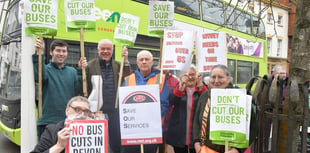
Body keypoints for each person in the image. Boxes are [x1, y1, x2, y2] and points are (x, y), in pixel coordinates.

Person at [84, 39, 132, 153]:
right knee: (97, 141)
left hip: (116, 111)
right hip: (96, 111)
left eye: (108, 49)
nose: (105, 51)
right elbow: (83, 85)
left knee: (116, 140)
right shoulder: (90, 65)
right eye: (103, 49)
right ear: (98, 50)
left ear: (113, 50)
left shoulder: (119, 65)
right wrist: (82, 68)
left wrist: (126, 60)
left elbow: (129, 79)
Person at [32, 37, 84, 139]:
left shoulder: (73, 72)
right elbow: (40, 78)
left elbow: (79, 91)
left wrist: (82, 71)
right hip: (47, 122)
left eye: (64, 51)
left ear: (67, 54)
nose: (61, 53)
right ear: (51, 52)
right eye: (58, 50)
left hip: (68, 121)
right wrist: (39, 54)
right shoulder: (45, 69)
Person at [121, 50, 169, 153]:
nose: (144, 62)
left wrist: (147, 119)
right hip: (131, 130)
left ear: (152, 62)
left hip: (151, 130)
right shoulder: (128, 79)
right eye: (141, 59)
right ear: (137, 62)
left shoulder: (161, 79)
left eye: (147, 59)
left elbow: (164, 104)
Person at [193, 64, 245, 153]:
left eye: (220, 77)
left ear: (228, 79)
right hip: (206, 149)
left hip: (229, 150)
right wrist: (197, 144)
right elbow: (197, 123)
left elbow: (250, 127)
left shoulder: (239, 97)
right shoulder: (205, 96)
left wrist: (237, 150)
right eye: (213, 77)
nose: (216, 81)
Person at [166, 65, 207, 153]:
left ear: (197, 75)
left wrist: (200, 85)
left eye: (192, 74)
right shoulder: (178, 88)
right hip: (180, 133)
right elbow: (172, 100)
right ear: (181, 77)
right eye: (186, 75)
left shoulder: (202, 88)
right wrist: (181, 88)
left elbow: (207, 101)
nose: (190, 77)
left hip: (197, 133)